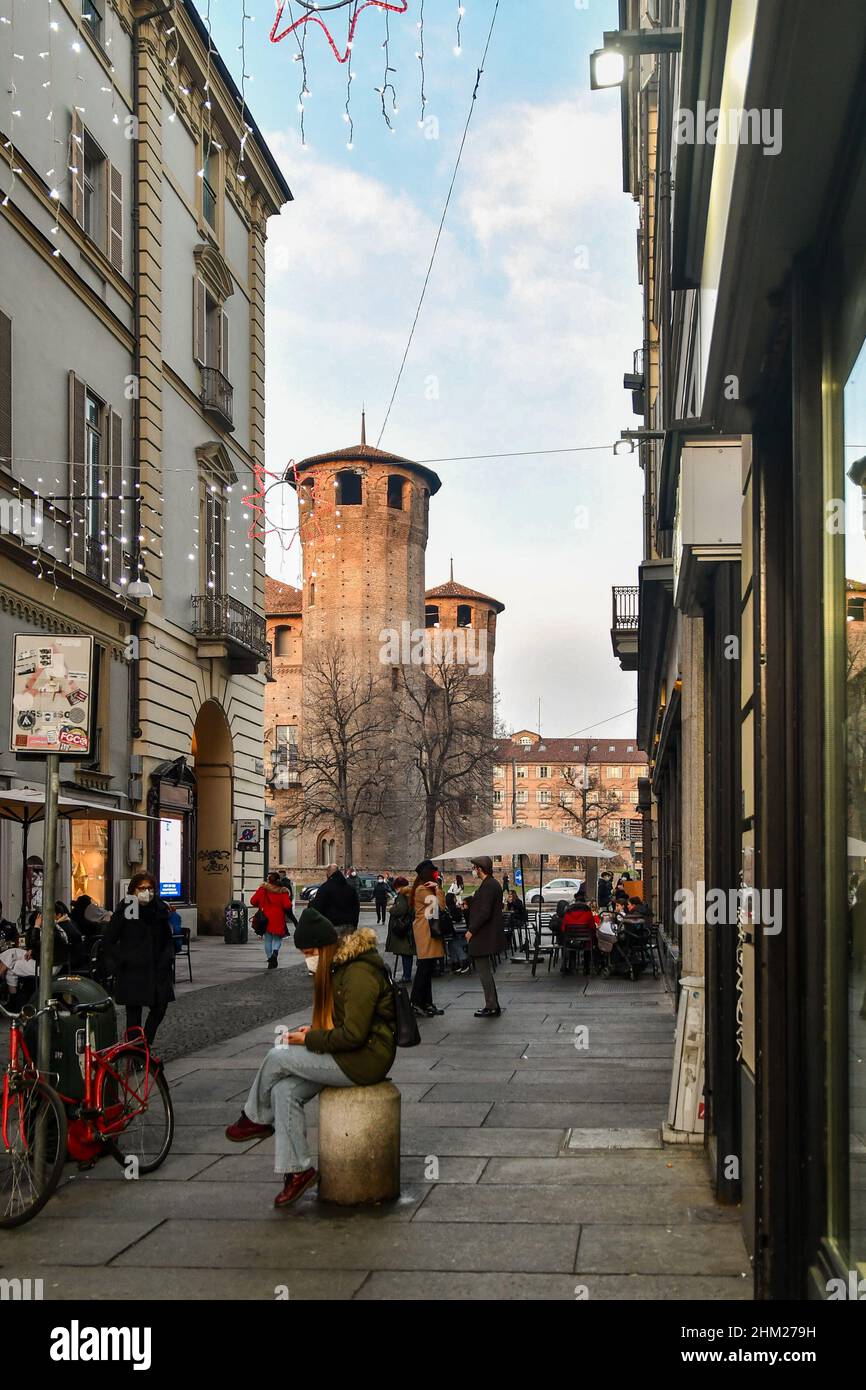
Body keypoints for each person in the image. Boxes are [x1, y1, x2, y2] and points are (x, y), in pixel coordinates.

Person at [225, 906, 396, 1209]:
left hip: (365, 1059)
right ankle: (298, 1170)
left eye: (309, 951)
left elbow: (354, 1035)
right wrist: (315, 1029)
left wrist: (309, 1038)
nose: (307, 958)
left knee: (278, 1056)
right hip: (348, 1055)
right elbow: (341, 1024)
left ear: (324, 948)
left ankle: (255, 1118)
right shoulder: (338, 968)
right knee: (283, 1090)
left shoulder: (358, 973)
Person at [103, 871, 175, 1048]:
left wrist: (167, 958)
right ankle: (136, 1051)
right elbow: (109, 939)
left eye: (150, 888)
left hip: (158, 968)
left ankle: (145, 1043)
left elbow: (167, 936)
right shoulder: (129, 908)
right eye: (142, 888)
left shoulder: (159, 907)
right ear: (133, 890)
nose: (146, 892)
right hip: (133, 971)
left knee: (160, 1007)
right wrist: (122, 960)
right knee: (133, 1015)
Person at [466, 856, 507, 1018]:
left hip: (483, 935)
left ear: (480, 869)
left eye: (474, 868)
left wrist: (471, 930)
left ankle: (491, 1005)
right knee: (484, 970)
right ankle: (492, 1004)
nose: (473, 871)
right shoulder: (490, 884)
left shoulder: (489, 885)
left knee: (484, 971)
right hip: (485, 934)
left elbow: (484, 912)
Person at [409, 860, 446, 1018]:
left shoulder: (425, 888)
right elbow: (439, 906)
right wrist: (438, 889)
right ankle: (416, 1002)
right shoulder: (422, 890)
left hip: (430, 930)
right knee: (424, 969)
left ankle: (427, 1003)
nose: (435, 874)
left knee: (428, 968)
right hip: (425, 932)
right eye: (432, 872)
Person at [251, 871, 295, 970]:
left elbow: (253, 901)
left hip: (265, 917)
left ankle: (270, 958)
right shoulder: (282, 891)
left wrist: (261, 904)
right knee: (277, 938)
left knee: (268, 939)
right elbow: (287, 905)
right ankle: (275, 954)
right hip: (278, 917)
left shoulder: (263, 889)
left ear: (269, 880)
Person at [313, 864, 360, 934]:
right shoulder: (350, 889)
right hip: (349, 926)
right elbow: (356, 907)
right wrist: (354, 924)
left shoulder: (325, 888)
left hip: (331, 927)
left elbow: (318, 908)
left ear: (328, 874)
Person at [384, 877, 414, 981]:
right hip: (408, 926)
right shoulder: (409, 895)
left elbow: (401, 909)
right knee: (407, 954)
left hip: (402, 927)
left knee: (405, 953)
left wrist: (392, 909)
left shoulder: (402, 896)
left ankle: (406, 976)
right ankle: (407, 974)